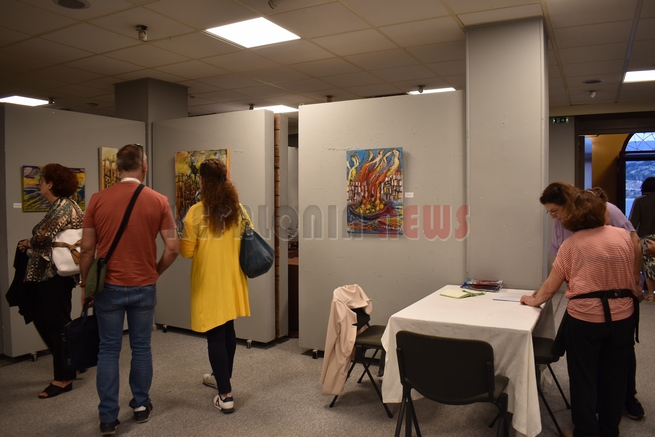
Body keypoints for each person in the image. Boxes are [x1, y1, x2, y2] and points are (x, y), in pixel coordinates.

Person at [523, 189, 642, 436]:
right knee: (615, 376)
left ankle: (585, 431)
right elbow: (634, 260)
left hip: (585, 319)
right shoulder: (623, 236)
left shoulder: (571, 245)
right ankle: (609, 430)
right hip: (622, 316)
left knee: (583, 377)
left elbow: (550, 288)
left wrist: (532, 300)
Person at [79, 144, 179, 435]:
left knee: (108, 350)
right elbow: (173, 248)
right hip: (143, 285)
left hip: (108, 287)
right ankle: (141, 405)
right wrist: (155, 272)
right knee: (141, 348)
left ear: (118, 168)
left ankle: (108, 417)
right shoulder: (158, 201)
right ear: (143, 166)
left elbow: (87, 250)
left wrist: (85, 285)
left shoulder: (97, 199)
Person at [180, 158, 251, 414]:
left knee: (215, 334)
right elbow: (248, 238)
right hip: (232, 279)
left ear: (202, 181)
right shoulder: (238, 210)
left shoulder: (196, 212)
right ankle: (222, 378)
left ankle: (226, 394)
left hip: (209, 281)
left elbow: (187, 252)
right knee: (228, 328)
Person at [17, 163, 83, 398]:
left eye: (42, 181)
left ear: (51, 184)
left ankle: (63, 378)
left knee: (56, 325)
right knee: (47, 319)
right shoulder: (66, 205)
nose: (40, 185)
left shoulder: (63, 207)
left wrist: (29, 242)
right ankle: (70, 362)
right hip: (51, 276)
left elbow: (42, 236)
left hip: (53, 276)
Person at [629, 176, 655, 302]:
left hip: (646, 236)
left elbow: (632, 223)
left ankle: (650, 294)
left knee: (648, 265)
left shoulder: (640, 201)